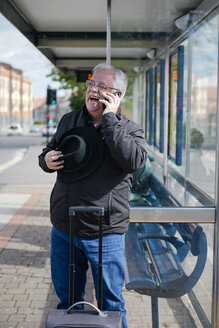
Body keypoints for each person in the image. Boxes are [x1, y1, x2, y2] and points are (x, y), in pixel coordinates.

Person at [38, 63, 147, 328]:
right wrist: (45, 160)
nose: (93, 90)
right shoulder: (69, 121)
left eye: (102, 86)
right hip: (65, 228)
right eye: (91, 83)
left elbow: (133, 160)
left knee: (111, 305)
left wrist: (109, 119)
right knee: (67, 303)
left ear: (117, 95)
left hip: (105, 232)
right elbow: (50, 151)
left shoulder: (130, 129)